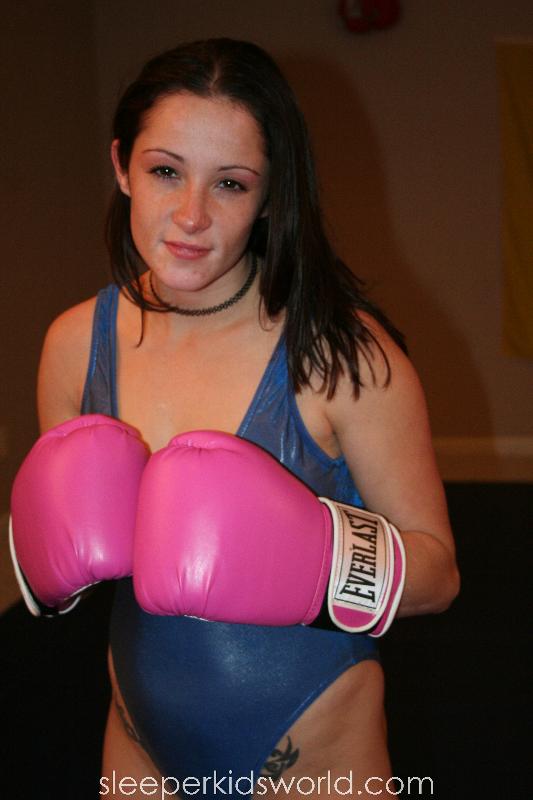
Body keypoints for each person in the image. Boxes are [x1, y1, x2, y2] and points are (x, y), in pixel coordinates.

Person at [11, 38, 459, 798]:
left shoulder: (340, 354)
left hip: (315, 756)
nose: (191, 215)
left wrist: (311, 562)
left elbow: (439, 574)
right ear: (121, 166)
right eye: (165, 171)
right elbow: (60, 559)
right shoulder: (74, 345)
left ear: (269, 194)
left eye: (229, 183)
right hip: (139, 747)